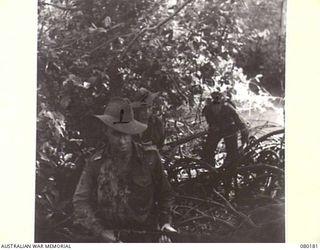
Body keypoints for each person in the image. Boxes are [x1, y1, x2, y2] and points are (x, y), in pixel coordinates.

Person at [72, 97, 176, 243]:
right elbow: (80, 201)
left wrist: (165, 223)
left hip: (145, 235)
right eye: (116, 134)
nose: (122, 141)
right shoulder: (95, 163)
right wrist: (100, 231)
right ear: (106, 131)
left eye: (126, 134)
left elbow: (166, 194)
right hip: (109, 235)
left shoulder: (150, 158)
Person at [201, 91, 249, 169]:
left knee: (232, 152)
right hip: (217, 131)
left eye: (218, 97)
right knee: (208, 150)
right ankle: (211, 168)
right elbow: (209, 120)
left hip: (229, 130)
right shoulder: (209, 107)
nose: (217, 99)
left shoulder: (227, 106)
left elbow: (237, 119)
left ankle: (229, 168)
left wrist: (243, 129)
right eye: (215, 97)